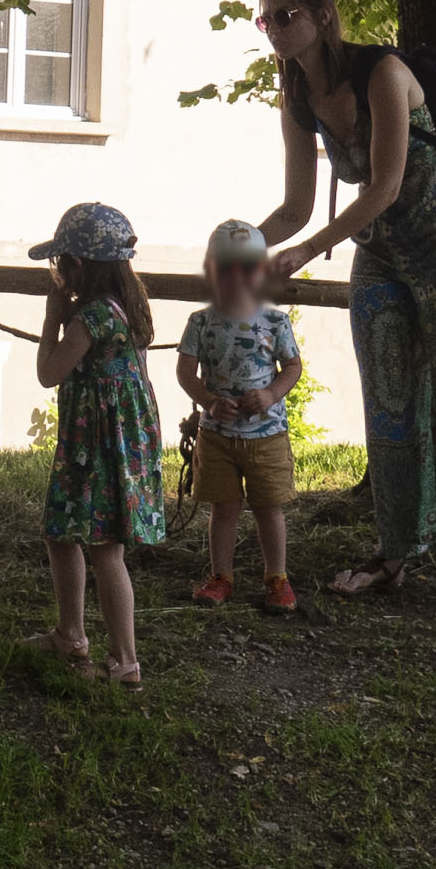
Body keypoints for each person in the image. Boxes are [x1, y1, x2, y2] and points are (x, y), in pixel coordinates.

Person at [252, 0, 436, 614]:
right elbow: (294, 208)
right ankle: (396, 550)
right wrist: (238, 247)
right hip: (379, 253)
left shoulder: (382, 72)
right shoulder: (295, 95)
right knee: (387, 398)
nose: (273, 31)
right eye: (265, 19)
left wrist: (308, 251)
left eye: (284, 16)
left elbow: (385, 186)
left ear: (322, 16)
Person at [24, 202, 165, 690]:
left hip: (98, 448)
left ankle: (125, 662)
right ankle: (70, 634)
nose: (57, 272)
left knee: (105, 549)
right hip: (107, 444)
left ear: (78, 266)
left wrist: (51, 318)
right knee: (61, 533)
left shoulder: (93, 317)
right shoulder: (129, 308)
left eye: (60, 262)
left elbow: (49, 373)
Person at [177, 219, 302, 613]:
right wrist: (209, 401)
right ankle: (221, 576)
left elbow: (293, 368)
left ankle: (277, 577)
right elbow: (185, 372)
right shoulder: (201, 322)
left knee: (268, 507)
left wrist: (270, 394)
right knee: (224, 507)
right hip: (217, 435)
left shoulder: (276, 321)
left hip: (267, 435)